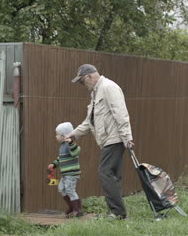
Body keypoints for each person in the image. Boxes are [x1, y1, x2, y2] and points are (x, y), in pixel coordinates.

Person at [69, 64, 134, 220]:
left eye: (82, 82)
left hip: (115, 138)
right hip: (109, 140)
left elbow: (121, 113)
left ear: (90, 76)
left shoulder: (108, 87)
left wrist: (127, 137)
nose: (83, 86)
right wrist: (73, 135)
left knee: (105, 172)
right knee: (113, 175)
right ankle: (118, 213)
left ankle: (117, 212)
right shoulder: (96, 93)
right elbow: (89, 121)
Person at [48, 122, 83, 218]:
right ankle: (72, 207)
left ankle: (78, 210)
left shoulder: (70, 145)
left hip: (72, 173)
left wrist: (71, 143)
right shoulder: (62, 147)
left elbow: (76, 152)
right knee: (61, 189)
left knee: (70, 190)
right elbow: (61, 158)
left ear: (64, 136)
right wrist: (54, 164)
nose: (56, 136)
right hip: (66, 174)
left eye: (57, 134)